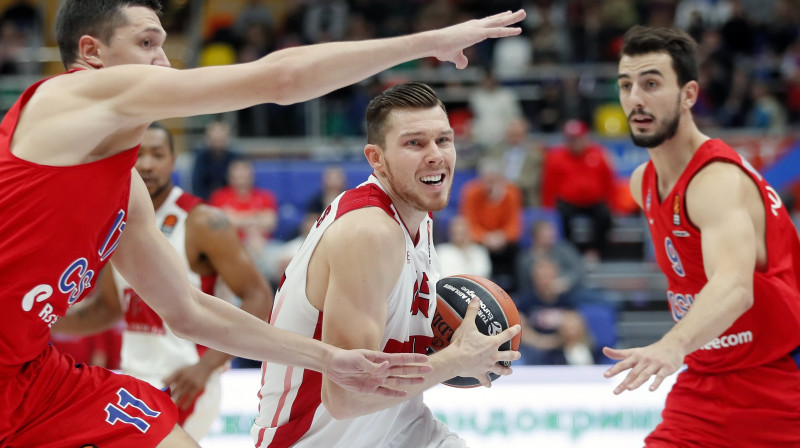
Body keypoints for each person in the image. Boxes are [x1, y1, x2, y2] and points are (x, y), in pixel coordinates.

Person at [0, 0, 526, 445]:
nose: (162, 62)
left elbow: (187, 311)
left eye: (163, 46)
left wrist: (330, 359)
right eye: (145, 44)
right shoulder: (65, 99)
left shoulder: (128, 192)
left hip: (30, 373)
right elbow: (282, 77)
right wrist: (427, 42)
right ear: (91, 53)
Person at [252, 82, 521, 447]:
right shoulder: (369, 233)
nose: (435, 155)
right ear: (376, 158)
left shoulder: (417, 216)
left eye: (444, 140)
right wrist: (454, 361)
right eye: (415, 143)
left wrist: (450, 350)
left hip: (401, 428)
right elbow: (347, 398)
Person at [603, 26, 800, 447]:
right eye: (626, 85)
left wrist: (671, 346)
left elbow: (733, 287)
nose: (635, 98)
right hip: (707, 380)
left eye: (651, 83)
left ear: (689, 95)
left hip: (781, 376)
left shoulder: (716, 180)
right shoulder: (644, 182)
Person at [51, 123, 273, 441]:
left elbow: (258, 297)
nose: (147, 164)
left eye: (158, 154)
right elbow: (108, 309)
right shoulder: (117, 221)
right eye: (139, 154)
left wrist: (206, 367)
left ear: (173, 160)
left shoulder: (203, 221)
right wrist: (42, 323)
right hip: (135, 381)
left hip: (185, 382)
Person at [541, 118, 616, 260]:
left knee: (605, 217)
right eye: (571, 139)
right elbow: (549, 186)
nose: (575, 142)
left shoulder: (599, 154)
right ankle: (569, 253)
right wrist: (548, 209)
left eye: (578, 138)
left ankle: (595, 251)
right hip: (569, 202)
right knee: (562, 217)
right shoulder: (556, 157)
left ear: (586, 137)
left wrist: (613, 204)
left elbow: (608, 181)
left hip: (594, 202)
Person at [459, 157, 524, 293]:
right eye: (487, 180)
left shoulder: (511, 193)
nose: (490, 185)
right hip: (480, 241)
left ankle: (514, 292)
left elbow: (514, 225)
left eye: (494, 180)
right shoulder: (471, 192)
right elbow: (469, 223)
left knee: (517, 251)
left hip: (504, 242)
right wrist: (485, 237)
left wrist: (502, 236)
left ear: (501, 179)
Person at [209, 158, 279, 250]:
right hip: (229, 246)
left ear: (252, 174)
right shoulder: (218, 197)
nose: (241, 174)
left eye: (244, 169)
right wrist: (256, 216)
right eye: (237, 170)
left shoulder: (265, 196)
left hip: (263, 245)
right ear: (229, 175)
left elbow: (270, 223)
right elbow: (219, 223)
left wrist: (234, 218)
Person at [191, 120, 242, 200]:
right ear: (208, 137)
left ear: (227, 138)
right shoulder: (201, 157)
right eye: (215, 139)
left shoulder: (235, 157)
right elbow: (197, 185)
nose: (218, 142)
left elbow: (240, 184)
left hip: (230, 202)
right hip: (206, 200)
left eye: (221, 139)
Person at [437, 214, 492, 278]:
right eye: (456, 233)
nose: (459, 237)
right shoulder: (442, 251)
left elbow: (484, 273)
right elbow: (445, 275)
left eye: (463, 233)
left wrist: (466, 255)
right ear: (450, 233)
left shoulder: (479, 250)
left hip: (476, 286)